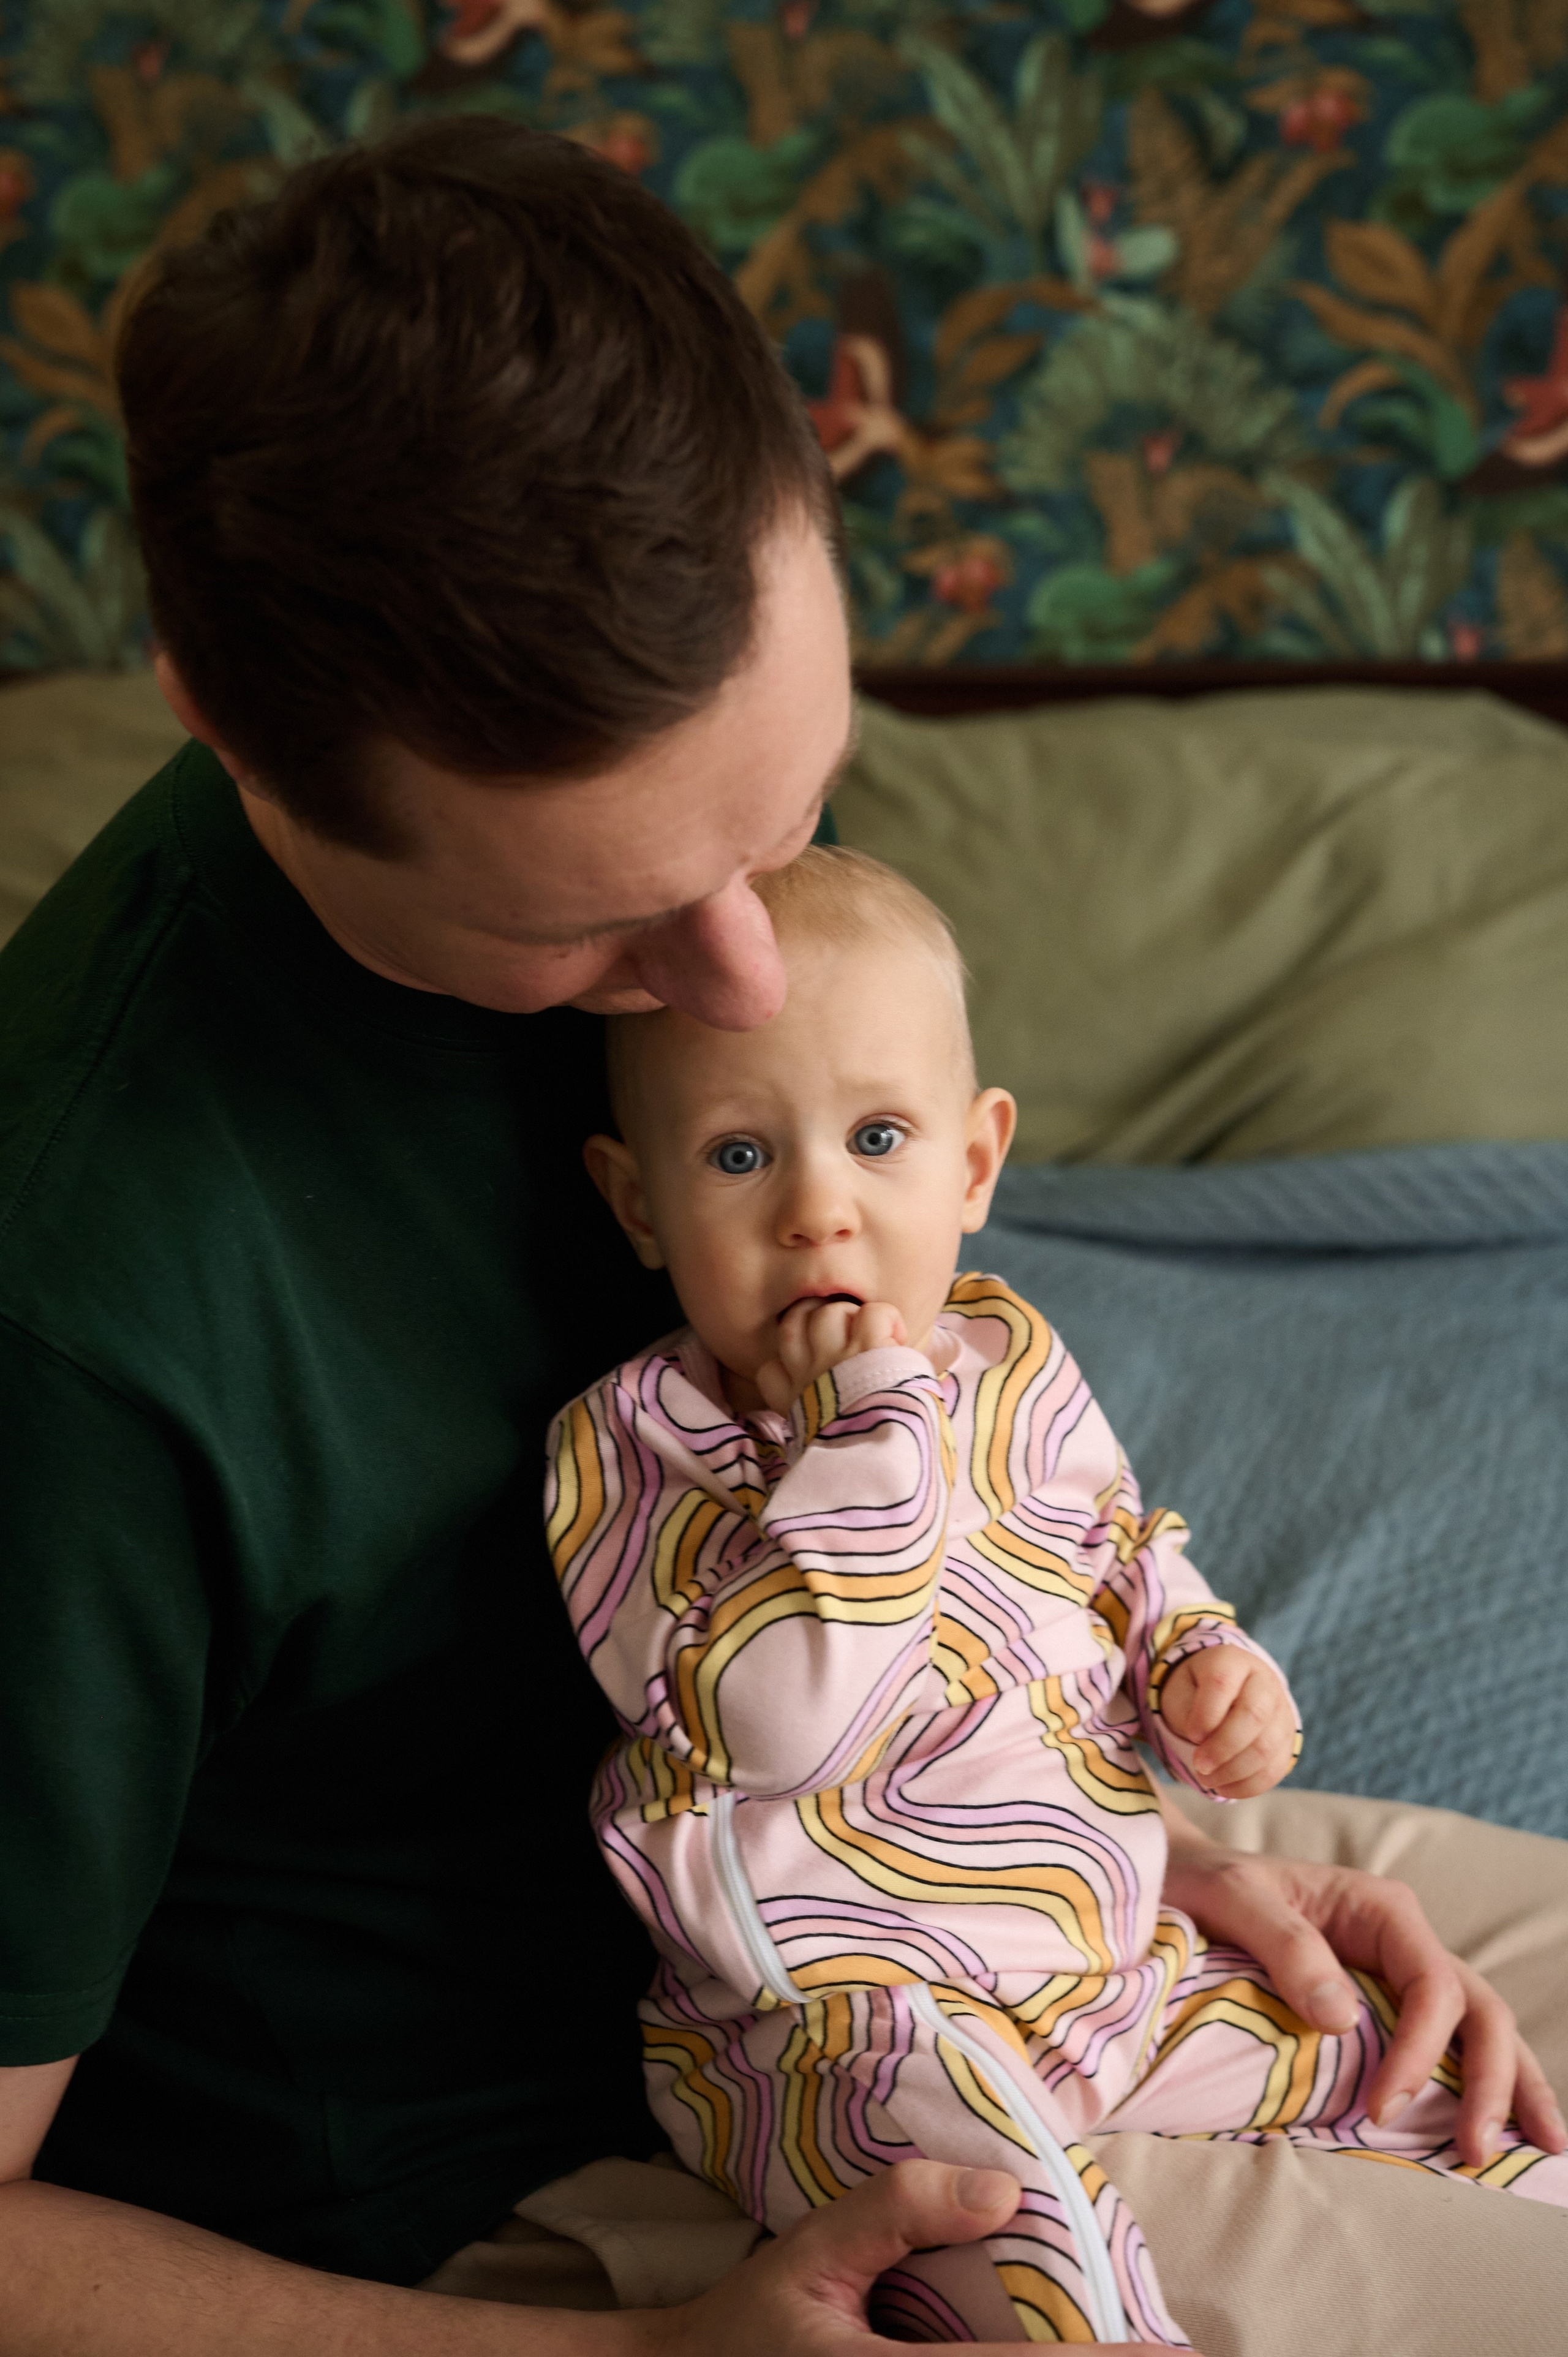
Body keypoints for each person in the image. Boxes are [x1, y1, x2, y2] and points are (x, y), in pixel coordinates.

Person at [0, 116, 1560, 2357]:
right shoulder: (73, 1318)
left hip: (996, 1883)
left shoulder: (628, 741)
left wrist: (1134, 1861)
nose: (739, 978)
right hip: (585, 2160)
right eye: (605, 930)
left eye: (788, 808)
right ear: (232, 732)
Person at [551, 847, 1568, 2345]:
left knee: (1420, 2096)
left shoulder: (1009, 1361)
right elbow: (773, 1727)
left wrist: (1200, 1660)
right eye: (738, 1156)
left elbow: (1115, 1545)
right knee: (1012, 2231)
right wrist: (868, 1431)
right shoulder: (637, 1446)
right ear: (639, 1202)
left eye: (877, 1137)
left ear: (973, 1165)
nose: (817, 1210)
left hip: (1113, 1966)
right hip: (833, 2022)